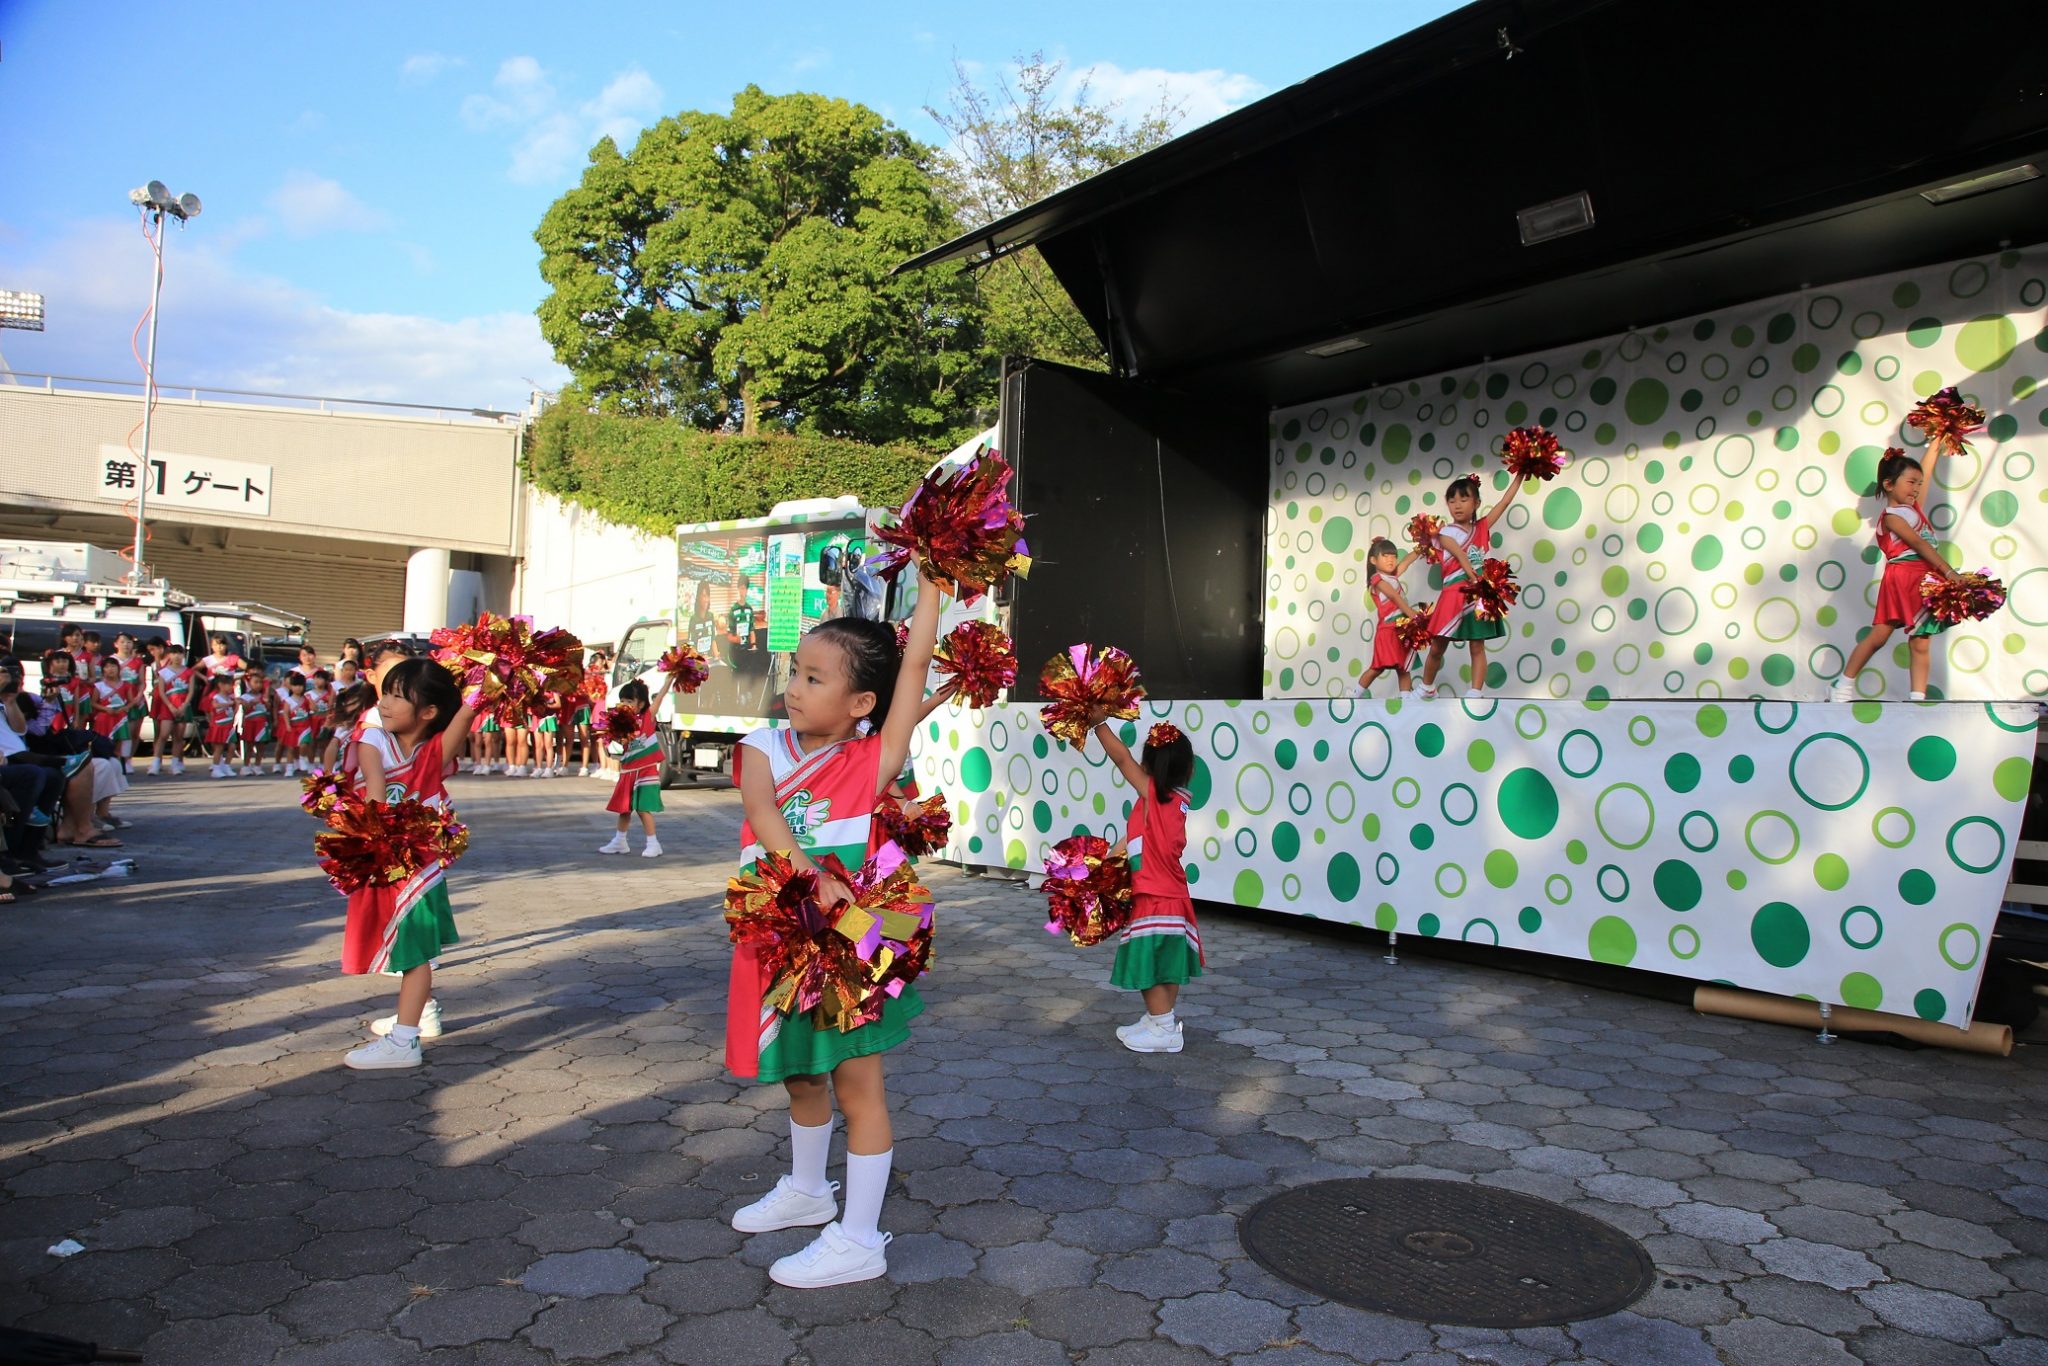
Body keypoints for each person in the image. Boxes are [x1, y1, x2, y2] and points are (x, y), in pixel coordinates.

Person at [723, 570, 941, 1290]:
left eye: (814, 679)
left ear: (861, 704)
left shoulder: (874, 760)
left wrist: (932, 587)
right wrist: (807, 874)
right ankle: (809, 1190)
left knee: (857, 1086)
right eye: (795, 671)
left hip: (848, 942)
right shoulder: (763, 745)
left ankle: (860, 1240)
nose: (794, 688)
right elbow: (762, 812)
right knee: (800, 1075)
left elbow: (914, 665)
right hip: (778, 935)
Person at [339, 659, 472, 1070]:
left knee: (415, 953)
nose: (385, 702)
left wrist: (497, 675)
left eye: (398, 695)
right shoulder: (372, 739)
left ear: (428, 712)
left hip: (419, 869)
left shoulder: (433, 750)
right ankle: (413, 1020)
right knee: (411, 951)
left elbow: (467, 713)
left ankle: (404, 1039)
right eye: (386, 692)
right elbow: (376, 796)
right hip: (390, 860)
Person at [1086, 714, 1203, 1052]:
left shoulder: (1155, 795)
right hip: (1174, 898)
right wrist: (1109, 861)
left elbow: (1121, 758)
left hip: (1153, 899)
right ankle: (1160, 1020)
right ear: (1189, 769)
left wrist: (1098, 724)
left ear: (1148, 768)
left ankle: (1164, 1027)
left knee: (1147, 962)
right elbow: (1137, 838)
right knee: (1166, 962)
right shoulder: (1176, 802)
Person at [1829, 447, 1967, 701]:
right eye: (1911, 482)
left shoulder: (1914, 510)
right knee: (1879, 636)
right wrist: (1949, 572)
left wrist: (1938, 437)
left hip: (1925, 579)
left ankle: (1917, 699)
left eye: (1919, 484)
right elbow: (1919, 544)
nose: (1916, 488)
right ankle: (1842, 685)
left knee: (1921, 640)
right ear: (1889, 484)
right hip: (1902, 578)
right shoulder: (1892, 517)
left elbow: (1926, 470)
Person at [1417, 473, 1524, 700]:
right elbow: (1456, 551)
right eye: (1452, 500)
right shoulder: (1444, 533)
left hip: (1477, 596)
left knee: (1477, 645)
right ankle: (1426, 687)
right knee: (1437, 646)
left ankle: (1475, 692)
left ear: (1476, 503)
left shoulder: (1482, 527)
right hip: (1454, 593)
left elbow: (1505, 502)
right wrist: (1471, 574)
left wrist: (1521, 473)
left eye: (1464, 499)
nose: (1457, 505)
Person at [598, 675, 677, 857]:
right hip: (628, 770)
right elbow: (620, 743)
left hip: (645, 770)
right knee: (624, 808)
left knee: (643, 808)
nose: (625, 704)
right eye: (623, 700)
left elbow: (659, 698)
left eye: (629, 701)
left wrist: (668, 680)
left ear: (640, 704)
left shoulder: (648, 717)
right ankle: (619, 842)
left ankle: (653, 843)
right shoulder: (621, 723)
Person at [1358, 538, 1424, 697]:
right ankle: (1354, 694)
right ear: (1373, 560)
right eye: (1385, 556)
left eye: (1393, 556)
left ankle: (1406, 700)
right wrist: (1411, 613)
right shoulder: (1376, 579)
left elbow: (1407, 561)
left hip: (1401, 628)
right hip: (1388, 629)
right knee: (1377, 667)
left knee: (1404, 667)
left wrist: (1423, 546)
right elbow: (1394, 596)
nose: (1391, 560)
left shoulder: (1392, 576)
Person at [146, 643, 195, 776]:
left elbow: (190, 691)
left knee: (178, 737)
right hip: (168, 706)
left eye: (179, 653)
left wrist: (184, 706)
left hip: (183, 706)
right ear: (169, 655)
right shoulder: (164, 672)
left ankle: (175, 764)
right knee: (163, 735)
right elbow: (161, 691)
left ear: (183, 655)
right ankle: (156, 763)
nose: (177, 656)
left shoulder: (189, 672)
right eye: (174, 653)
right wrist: (170, 706)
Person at [86, 656, 138, 761]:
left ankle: (118, 763)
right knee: (103, 744)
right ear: (103, 670)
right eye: (107, 667)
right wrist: (105, 709)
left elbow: (132, 701)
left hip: (120, 717)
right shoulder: (99, 686)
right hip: (104, 717)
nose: (110, 669)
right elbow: (93, 703)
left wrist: (124, 708)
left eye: (113, 666)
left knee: (119, 745)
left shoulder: (126, 685)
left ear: (118, 669)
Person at [237, 665, 273, 777]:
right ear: (249, 683)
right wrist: (252, 702)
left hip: (261, 724)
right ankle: (246, 766)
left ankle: (258, 765)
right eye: (255, 682)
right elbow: (245, 708)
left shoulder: (263, 696)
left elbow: (268, 708)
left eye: (260, 682)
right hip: (250, 723)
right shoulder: (244, 697)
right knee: (249, 746)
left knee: (261, 745)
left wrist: (267, 703)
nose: (258, 685)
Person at [201, 676, 241, 778]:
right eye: (229, 685)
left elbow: (233, 712)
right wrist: (228, 704)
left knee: (232, 746)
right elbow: (215, 706)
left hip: (229, 726)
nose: (231, 687)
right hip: (219, 725)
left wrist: (236, 705)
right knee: (219, 748)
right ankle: (216, 768)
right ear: (221, 685)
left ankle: (227, 766)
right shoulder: (216, 697)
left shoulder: (230, 698)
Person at [275, 672, 313, 775]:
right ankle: (289, 768)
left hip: (305, 726)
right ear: (291, 687)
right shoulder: (288, 700)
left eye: (300, 685)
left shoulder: (306, 699)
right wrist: (287, 725)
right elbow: (285, 713)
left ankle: (302, 758)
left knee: (304, 744)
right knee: (291, 748)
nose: (298, 688)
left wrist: (310, 699)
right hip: (293, 726)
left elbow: (314, 709)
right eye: (295, 685)